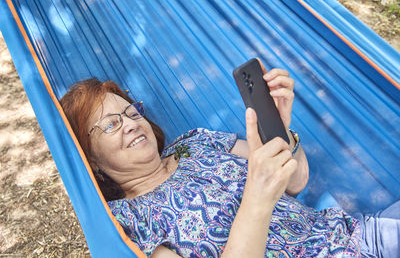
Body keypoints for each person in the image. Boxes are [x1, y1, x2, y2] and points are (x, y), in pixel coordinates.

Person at [60, 61, 399, 258]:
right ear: (89, 160)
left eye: (131, 112)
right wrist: (256, 198)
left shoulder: (194, 143)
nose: (132, 123)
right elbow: (262, 192)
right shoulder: (128, 223)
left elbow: (295, 181)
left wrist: (279, 132)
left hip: (356, 236)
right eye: (110, 124)